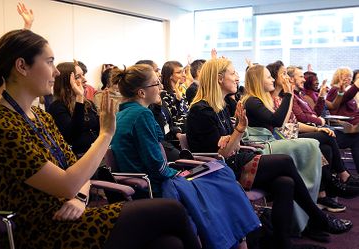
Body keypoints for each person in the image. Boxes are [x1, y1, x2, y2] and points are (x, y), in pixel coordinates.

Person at [0, 29, 201, 249]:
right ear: (21, 66)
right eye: (49, 62)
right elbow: (67, 183)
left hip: (70, 214)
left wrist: (79, 197)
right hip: (39, 229)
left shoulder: (41, 117)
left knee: (169, 243)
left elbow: (78, 171)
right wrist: (105, 134)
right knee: (172, 211)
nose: (56, 72)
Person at [186, 58, 350, 249]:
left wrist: (234, 137)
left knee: (285, 183)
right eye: (233, 73)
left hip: (233, 160)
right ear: (220, 78)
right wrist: (238, 131)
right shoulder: (201, 110)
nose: (238, 76)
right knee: (286, 162)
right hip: (218, 171)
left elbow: (231, 146)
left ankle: (285, 243)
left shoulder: (220, 106)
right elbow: (223, 154)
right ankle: (318, 216)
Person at [109, 63, 261, 249]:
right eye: (156, 83)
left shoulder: (123, 113)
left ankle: (235, 239)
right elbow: (157, 166)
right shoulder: (141, 115)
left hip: (146, 180)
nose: (161, 87)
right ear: (141, 93)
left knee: (219, 174)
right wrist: (178, 173)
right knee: (221, 175)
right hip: (156, 185)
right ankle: (237, 238)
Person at [266, 60, 359, 212]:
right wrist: (318, 122)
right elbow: (297, 120)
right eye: (301, 76)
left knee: (326, 147)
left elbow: (306, 116)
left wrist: (321, 98)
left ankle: (323, 194)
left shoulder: (296, 96)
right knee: (329, 137)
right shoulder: (289, 97)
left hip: (297, 132)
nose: (302, 79)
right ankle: (342, 177)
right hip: (285, 139)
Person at [48, 61, 100, 158]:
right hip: (76, 159)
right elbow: (72, 136)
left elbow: (99, 130)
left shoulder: (88, 104)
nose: (84, 80)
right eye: (78, 77)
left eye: (83, 75)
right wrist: (79, 97)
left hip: (96, 155)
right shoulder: (57, 107)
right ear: (66, 81)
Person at [136, 60, 181, 161]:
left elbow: (168, 123)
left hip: (168, 143)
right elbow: (158, 137)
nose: (160, 86)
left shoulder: (156, 100)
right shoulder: (142, 113)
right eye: (156, 83)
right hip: (163, 149)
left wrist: (176, 132)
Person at [160, 61, 189, 135]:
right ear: (170, 75)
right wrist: (178, 101)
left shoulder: (180, 92)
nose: (184, 75)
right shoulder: (164, 95)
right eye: (179, 72)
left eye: (184, 72)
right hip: (176, 136)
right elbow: (172, 119)